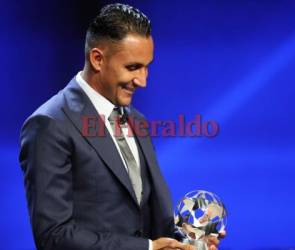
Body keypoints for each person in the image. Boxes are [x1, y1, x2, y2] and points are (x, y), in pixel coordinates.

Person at [19, 3, 223, 250]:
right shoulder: (49, 124)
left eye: (147, 66)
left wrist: (189, 241)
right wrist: (146, 248)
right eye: (133, 67)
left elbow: (149, 220)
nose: (143, 81)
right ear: (97, 59)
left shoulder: (138, 121)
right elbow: (53, 236)